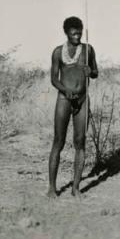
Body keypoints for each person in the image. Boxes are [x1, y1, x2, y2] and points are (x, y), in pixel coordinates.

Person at [47, 16, 98, 198]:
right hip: (64, 99)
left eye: (79, 32)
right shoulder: (57, 52)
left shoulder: (88, 49)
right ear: (66, 32)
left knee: (80, 142)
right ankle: (52, 189)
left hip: (83, 100)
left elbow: (95, 73)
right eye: (73, 33)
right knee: (58, 141)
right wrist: (65, 90)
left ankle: (76, 188)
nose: (77, 36)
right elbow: (54, 78)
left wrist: (89, 71)